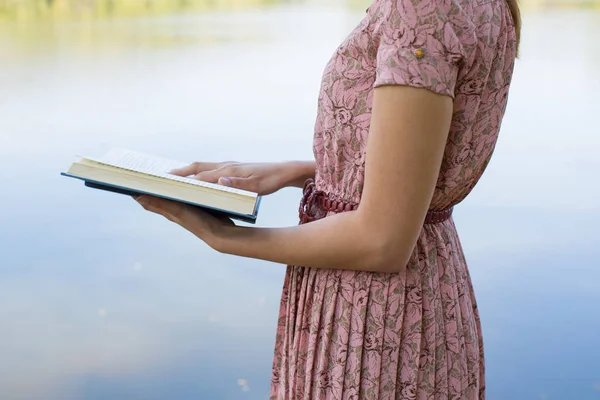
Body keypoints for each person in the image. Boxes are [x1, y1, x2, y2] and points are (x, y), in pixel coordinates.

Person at [134, 0, 521, 396]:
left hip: (374, 316)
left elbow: (381, 241)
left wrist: (225, 238)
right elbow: (421, 177)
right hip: (425, 296)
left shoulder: (422, 9)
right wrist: (296, 171)